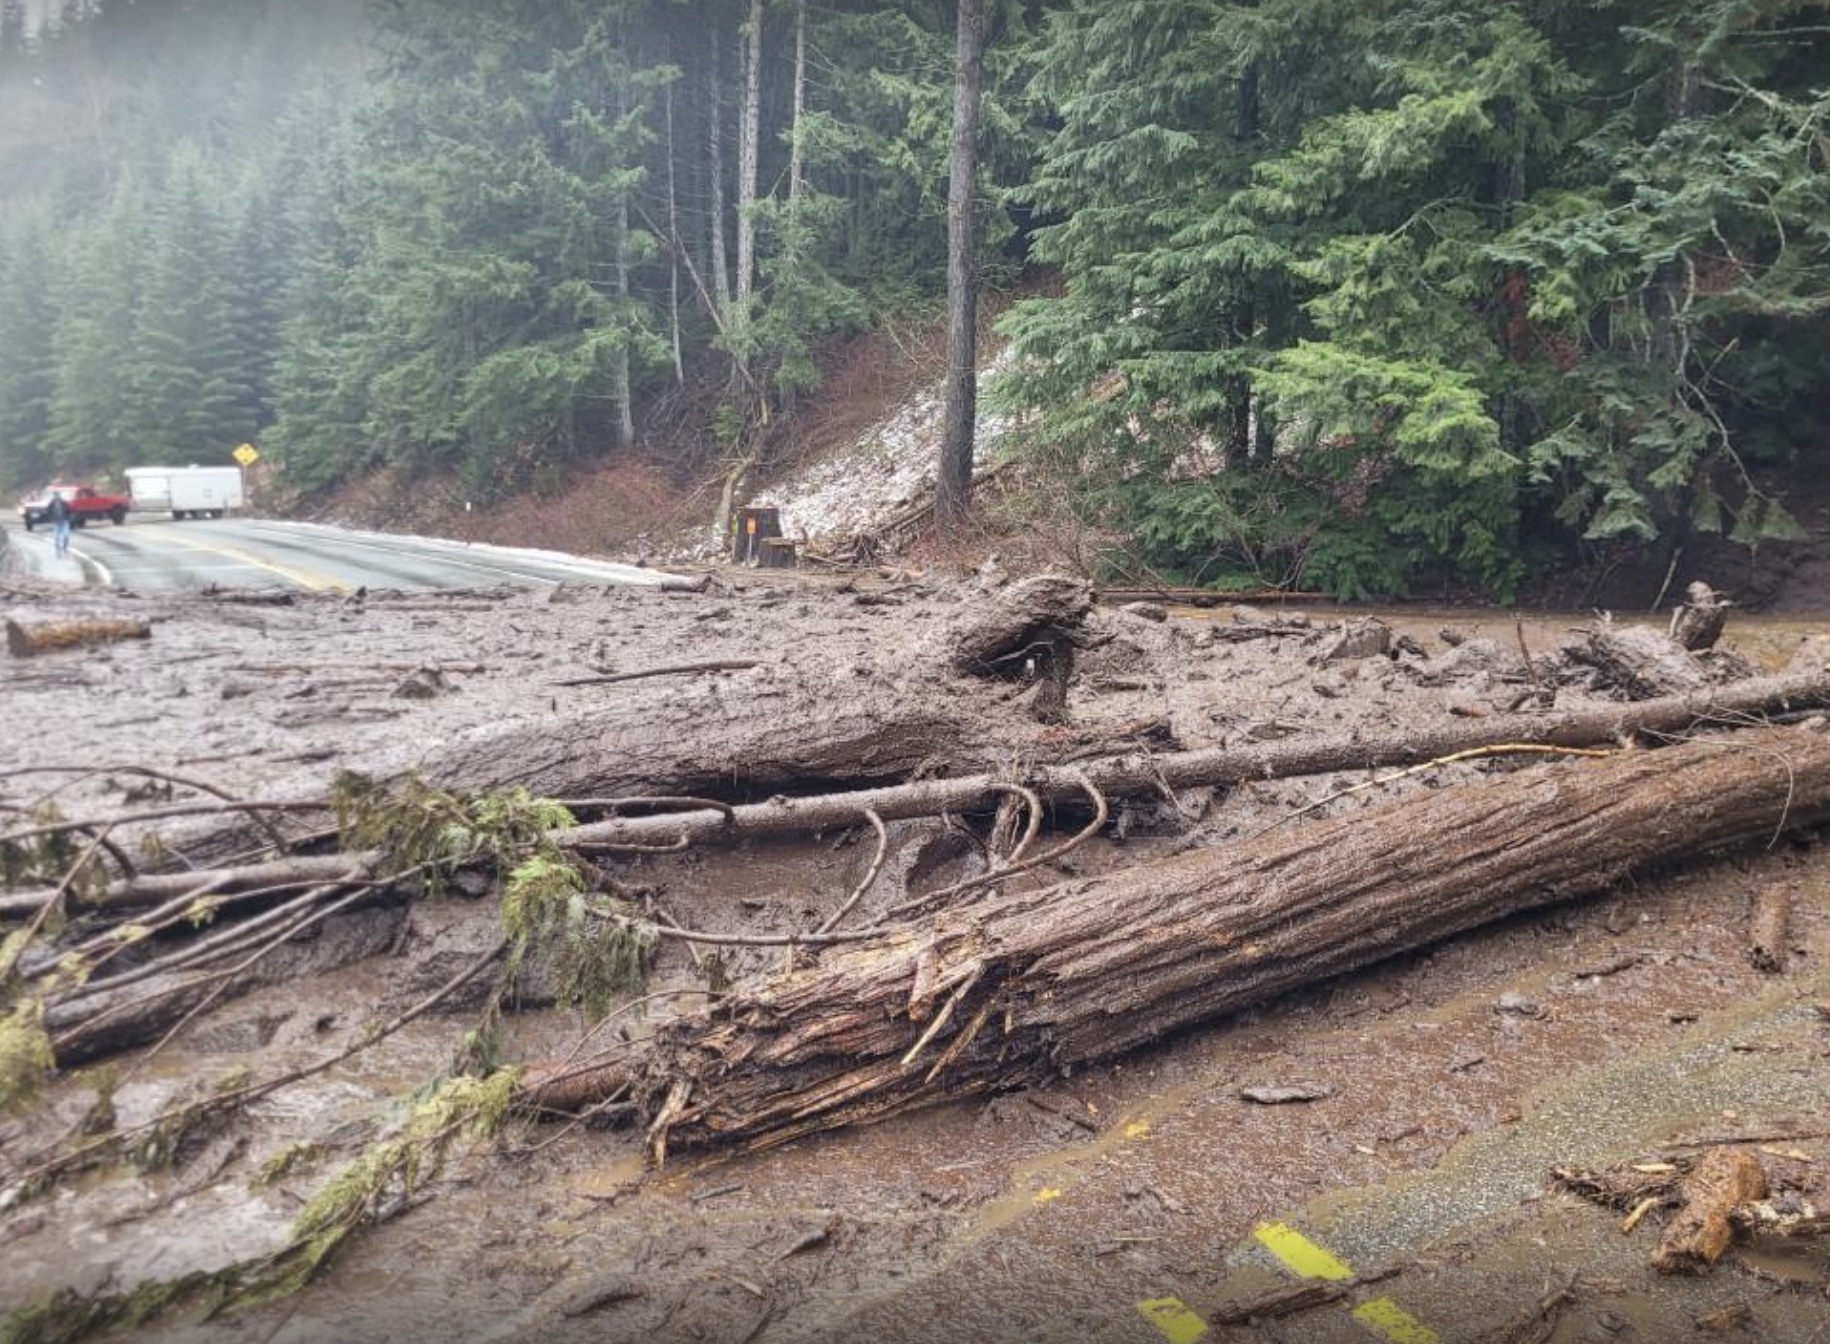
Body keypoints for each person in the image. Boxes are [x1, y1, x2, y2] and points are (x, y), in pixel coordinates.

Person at [45, 490, 73, 558]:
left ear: (59, 495)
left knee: (66, 536)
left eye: (57, 495)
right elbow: (47, 511)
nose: (56, 496)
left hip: (64, 522)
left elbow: (70, 510)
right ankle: (58, 551)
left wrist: (69, 518)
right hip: (57, 523)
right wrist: (51, 518)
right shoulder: (51, 503)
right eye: (55, 495)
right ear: (54, 496)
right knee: (56, 538)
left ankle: (65, 549)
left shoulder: (64, 502)